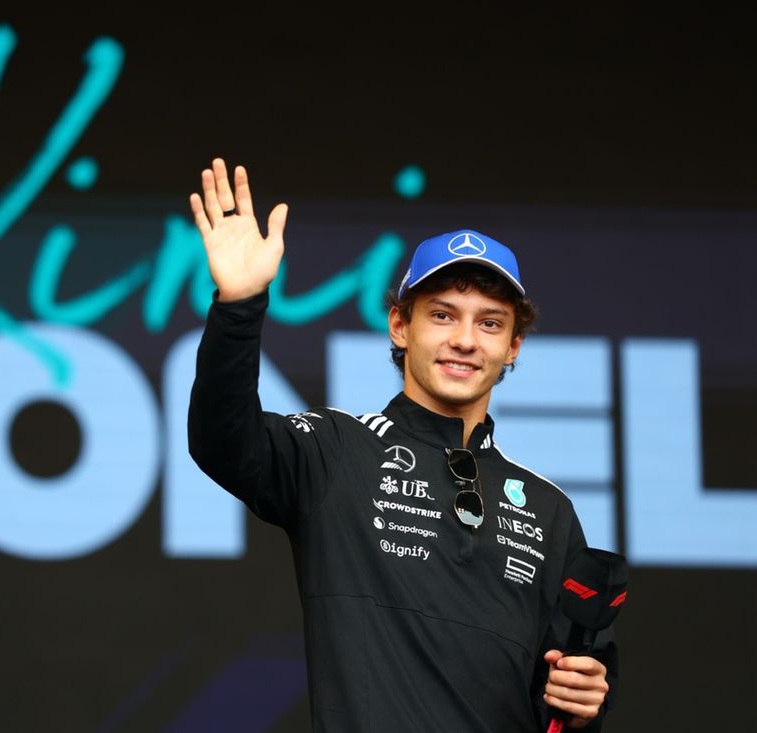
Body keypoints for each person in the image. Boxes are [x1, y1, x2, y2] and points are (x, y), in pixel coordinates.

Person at [186, 158, 617, 732]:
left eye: (490, 323)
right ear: (399, 326)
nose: (465, 340)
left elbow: (567, 692)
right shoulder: (334, 450)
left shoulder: (550, 511)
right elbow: (222, 440)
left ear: (513, 346)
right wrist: (239, 306)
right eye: (442, 315)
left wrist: (586, 702)